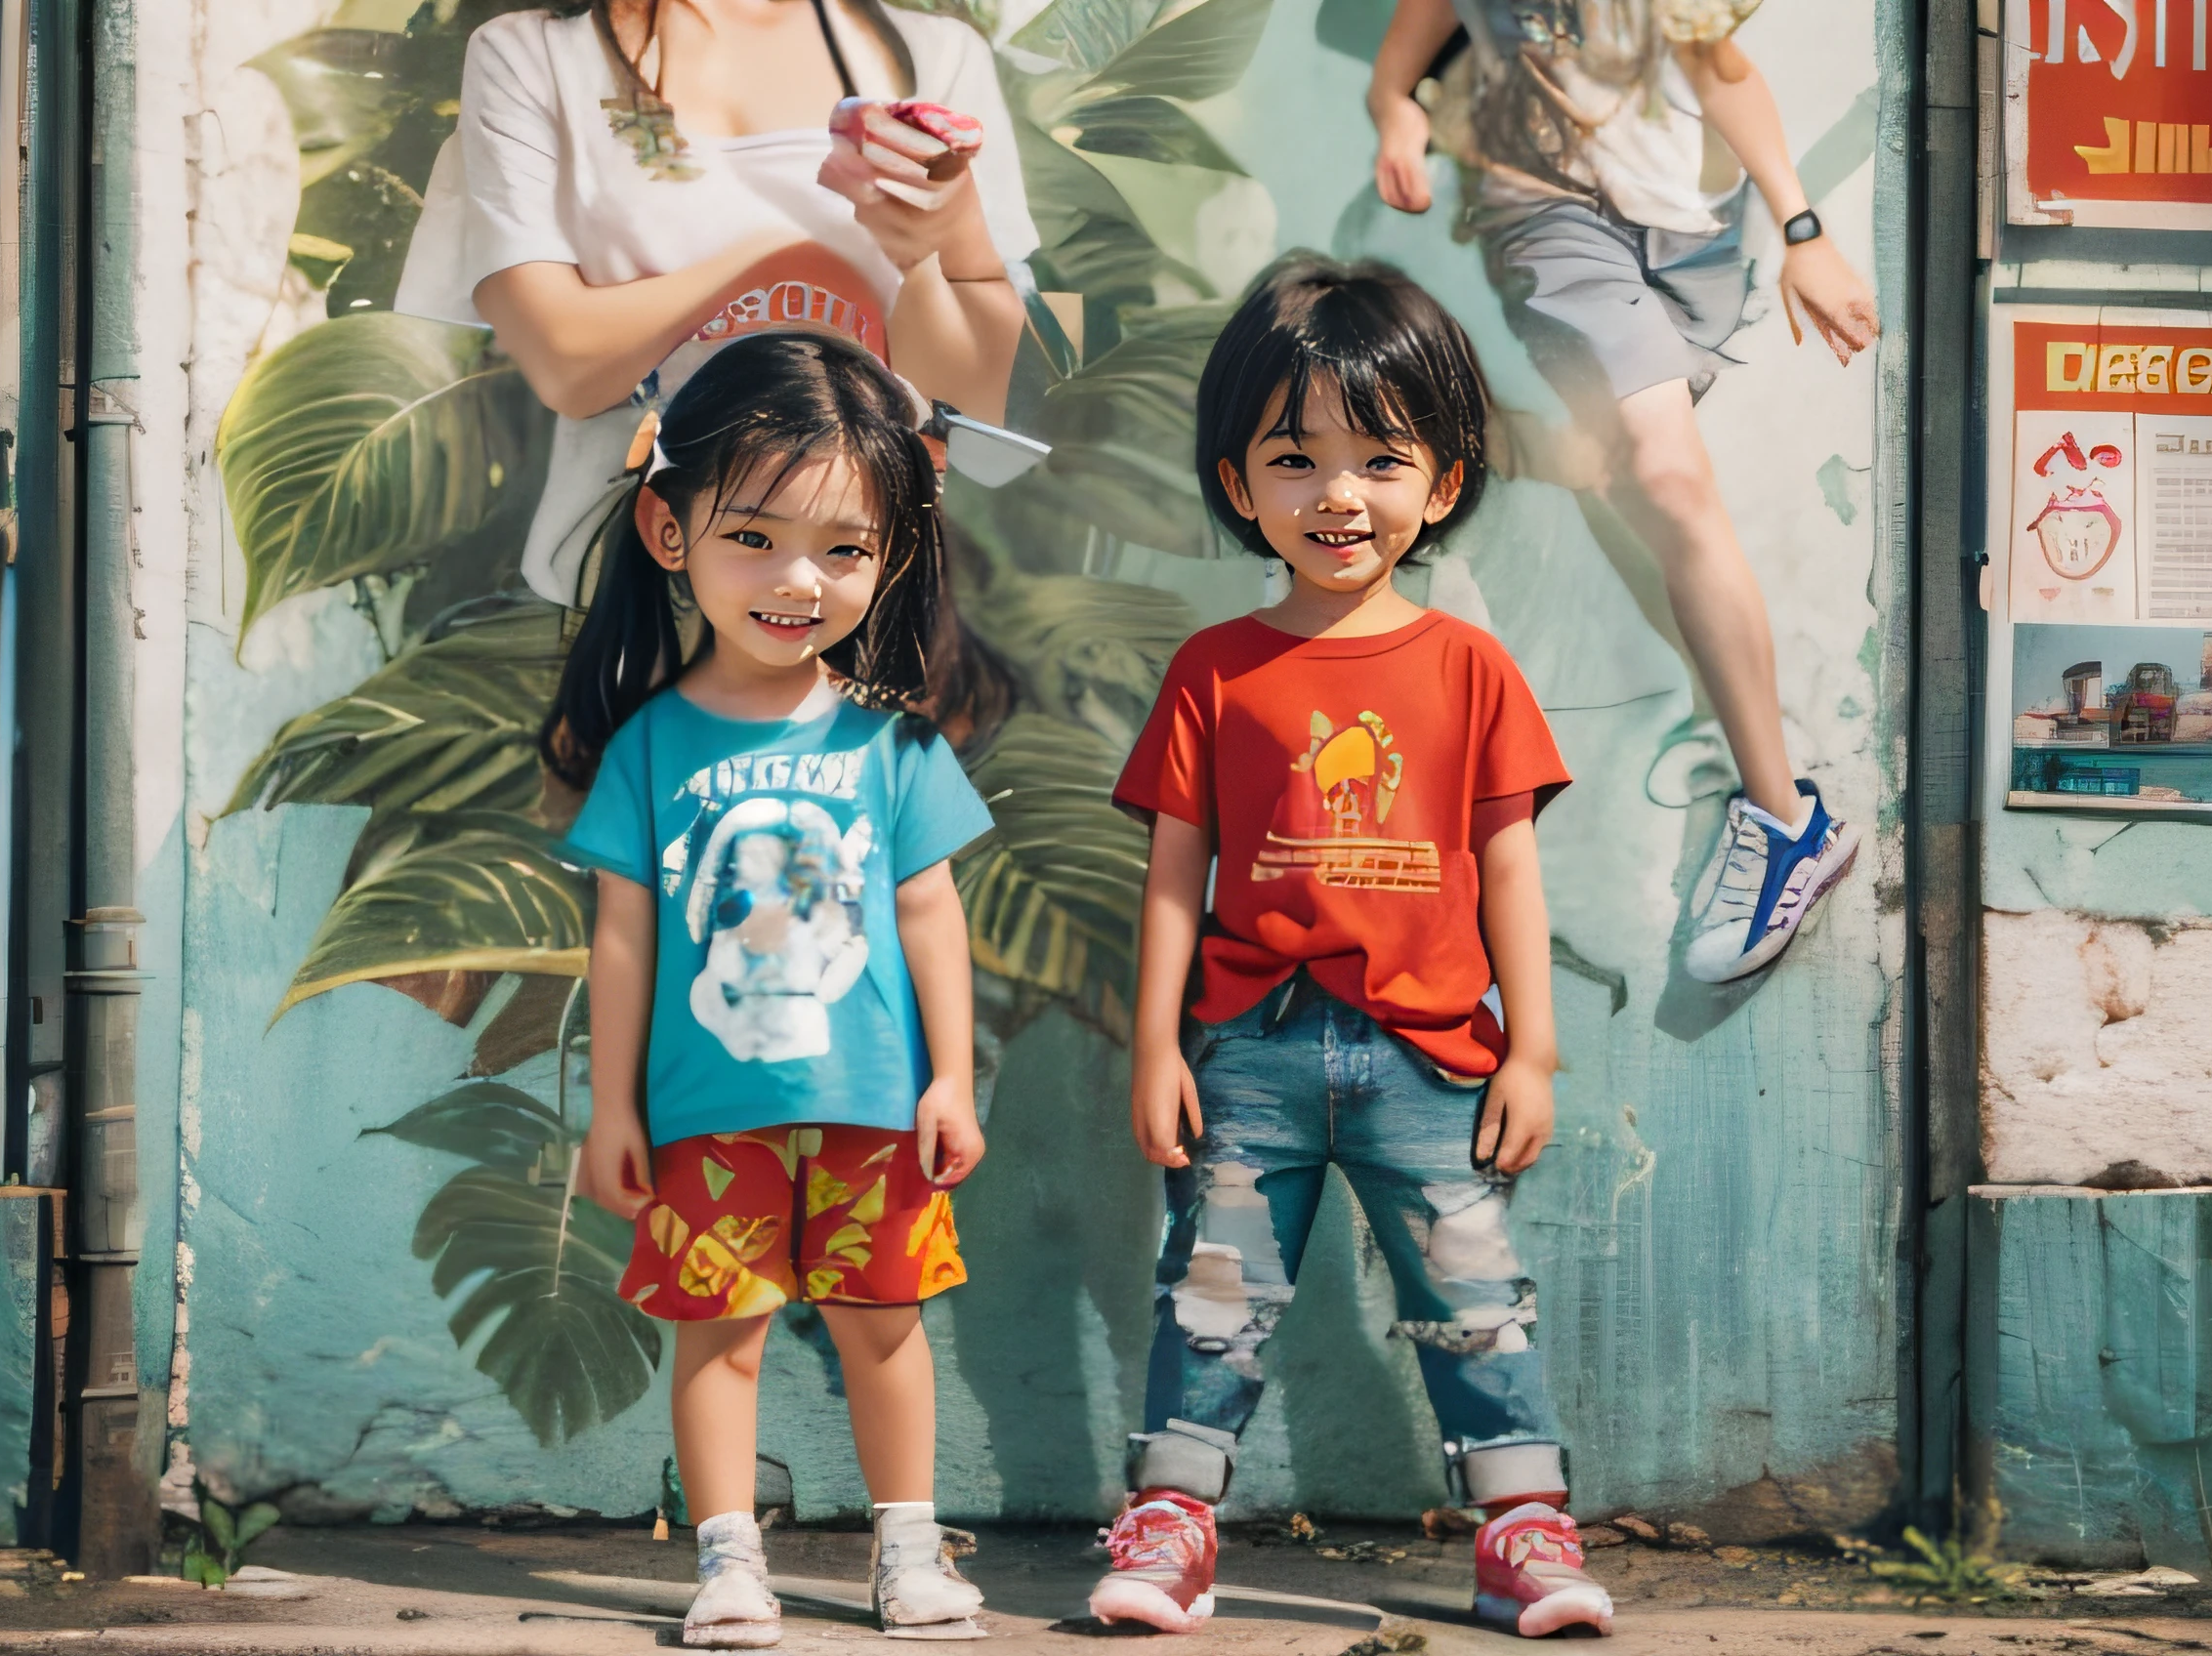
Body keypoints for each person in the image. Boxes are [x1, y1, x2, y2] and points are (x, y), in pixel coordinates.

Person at [1086, 257, 1614, 1640]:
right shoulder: (1214, 668)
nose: (1338, 494)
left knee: (1475, 1299)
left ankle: (1524, 1534)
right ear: (1238, 482)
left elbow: (1509, 865)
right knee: (1214, 1293)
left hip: (1429, 1055)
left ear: (1441, 483)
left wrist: (1536, 1051)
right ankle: (1173, 1525)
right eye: (1295, 458)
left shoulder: (1469, 669)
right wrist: (1156, 1044)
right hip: (1249, 1054)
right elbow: (1174, 874)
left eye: (1379, 458)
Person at [549, 332, 995, 1646]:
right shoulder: (650, 748)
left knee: (883, 1327)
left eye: (844, 549)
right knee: (720, 1335)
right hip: (703, 1114)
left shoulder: (892, 742)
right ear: (669, 530)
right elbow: (622, 942)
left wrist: (953, 1075)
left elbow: (930, 915)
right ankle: (729, 1561)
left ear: (891, 556)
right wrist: (613, 1110)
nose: (798, 581)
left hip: (872, 1111)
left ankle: (906, 1548)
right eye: (755, 536)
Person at [1366, 0, 1872, 983]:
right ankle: (1787, 821)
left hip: (1691, 233)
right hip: (1548, 221)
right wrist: (1398, 116)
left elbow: (1722, 71)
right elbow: (1400, 57)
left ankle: (1751, 752)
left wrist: (1805, 231)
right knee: (1665, 475)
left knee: (1636, 492)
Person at [397, 0, 1036, 608]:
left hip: (861, 586)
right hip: (635, 582)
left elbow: (961, 408)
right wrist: (774, 256)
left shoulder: (939, 58)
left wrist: (940, 246)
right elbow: (565, 364)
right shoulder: (535, 55)